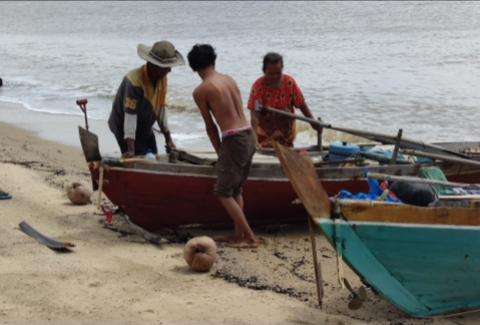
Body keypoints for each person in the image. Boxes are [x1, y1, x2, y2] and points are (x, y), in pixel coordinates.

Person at [187, 44, 258, 249]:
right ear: (213, 61)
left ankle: (251, 238)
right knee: (236, 189)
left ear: (194, 68)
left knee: (222, 192)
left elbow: (211, 127)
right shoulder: (229, 79)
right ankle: (238, 235)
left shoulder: (201, 90)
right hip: (249, 134)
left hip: (234, 139)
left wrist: (221, 153)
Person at [108, 40, 183, 158]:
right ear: (158, 67)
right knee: (137, 159)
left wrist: (168, 139)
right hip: (124, 127)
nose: (170, 70)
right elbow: (130, 117)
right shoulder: (135, 82)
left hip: (144, 126)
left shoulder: (162, 79)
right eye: (167, 67)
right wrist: (130, 149)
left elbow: (161, 108)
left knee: (153, 155)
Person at [247, 52, 322, 148]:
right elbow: (255, 116)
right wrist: (253, 139)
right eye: (271, 73)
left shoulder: (289, 83)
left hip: (286, 137)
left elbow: (301, 103)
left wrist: (313, 123)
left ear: (282, 69)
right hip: (264, 139)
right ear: (264, 71)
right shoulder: (258, 87)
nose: (275, 77)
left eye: (278, 73)